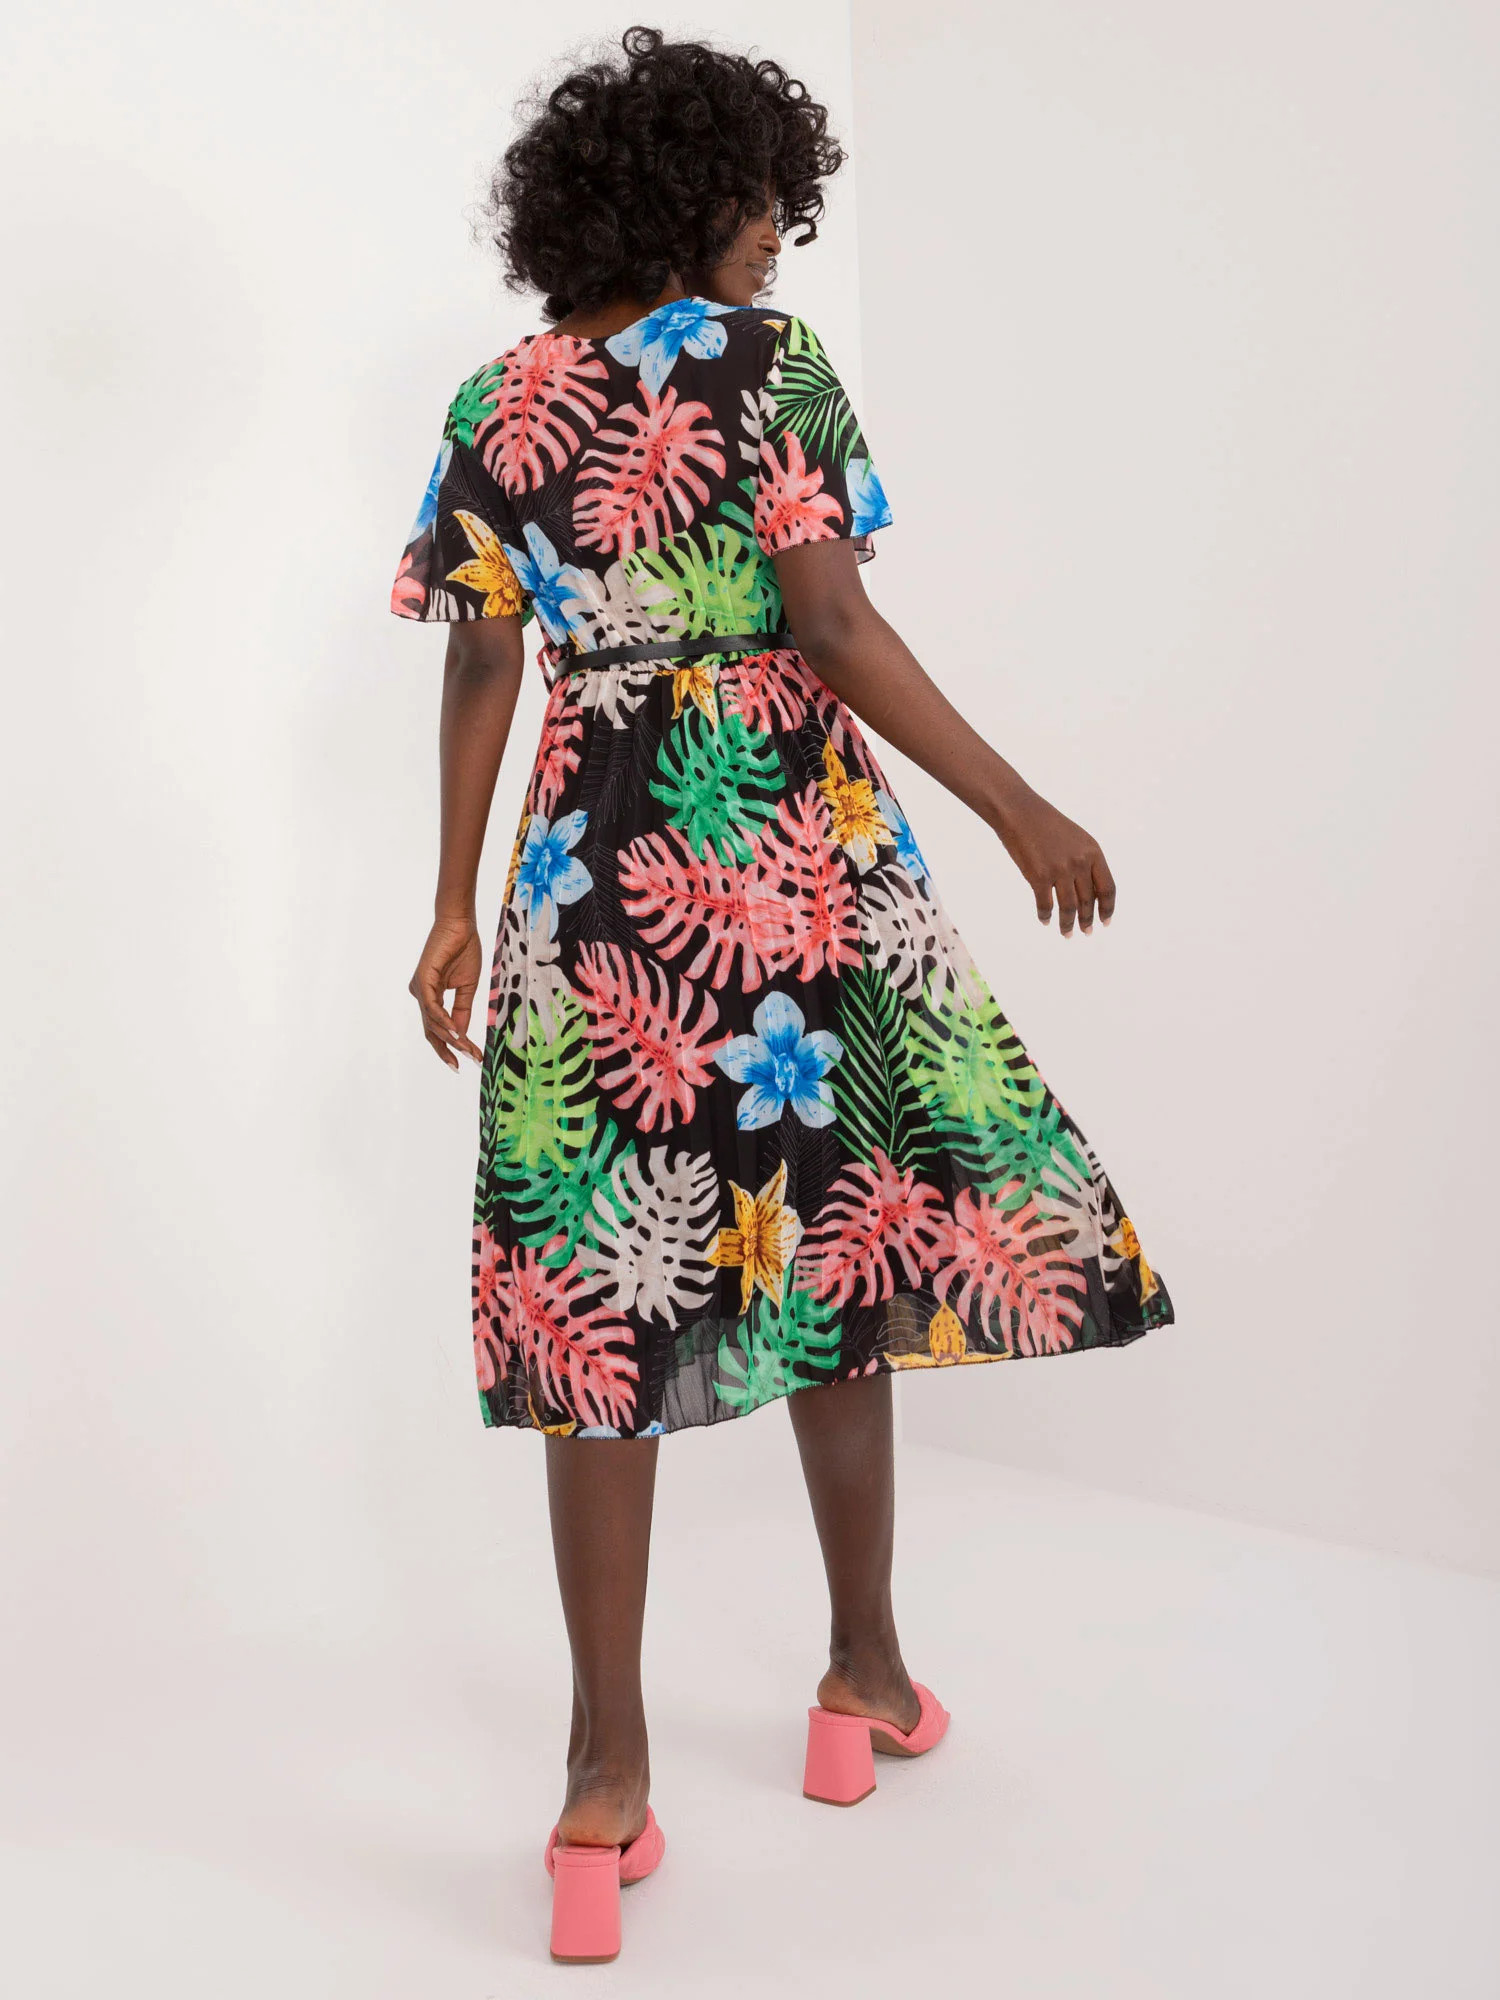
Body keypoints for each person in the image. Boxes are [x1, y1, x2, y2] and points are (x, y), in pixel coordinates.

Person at [391, 25, 1174, 1964]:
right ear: (692, 191)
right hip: (789, 860)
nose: (777, 232)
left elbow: (480, 660)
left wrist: (451, 902)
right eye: (761, 196)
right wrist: (1020, 804)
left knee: (598, 1303)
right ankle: (863, 1677)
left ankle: (604, 1783)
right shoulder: (769, 366)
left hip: (587, 873)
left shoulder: (498, 397)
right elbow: (829, 620)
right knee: (843, 1235)